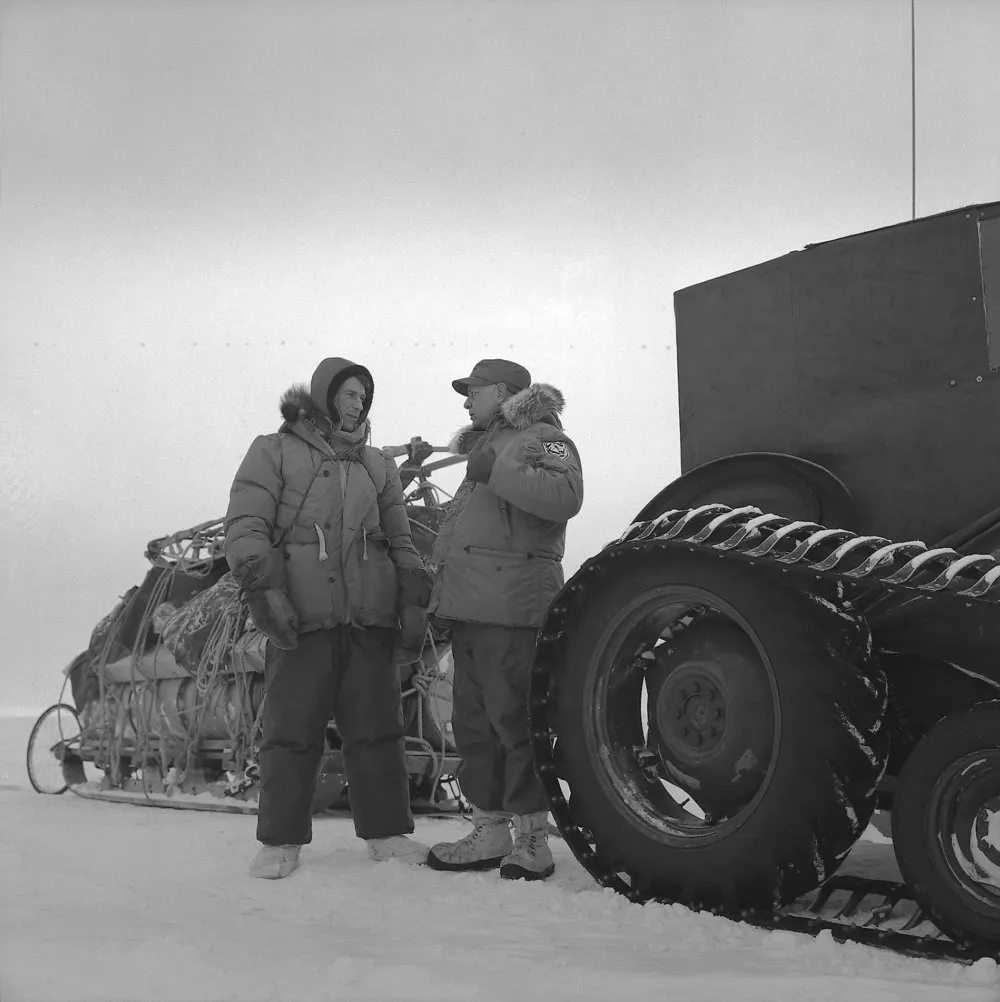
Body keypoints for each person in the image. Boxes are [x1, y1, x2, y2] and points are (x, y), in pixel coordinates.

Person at [224, 356, 433, 879]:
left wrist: (412, 597)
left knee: (379, 729)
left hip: (368, 618)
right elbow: (246, 524)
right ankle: (280, 841)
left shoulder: (378, 466)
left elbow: (400, 538)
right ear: (324, 397)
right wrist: (264, 588)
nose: (357, 403)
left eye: (364, 396)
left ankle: (387, 833)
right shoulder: (273, 451)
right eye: (348, 394)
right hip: (302, 616)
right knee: (291, 730)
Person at [426, 358, 583, 880]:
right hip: (470, 610)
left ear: (502, 391)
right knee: (474, 726)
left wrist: (496, 467)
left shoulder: (544, 438)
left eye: (473, 390)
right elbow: (460, 535)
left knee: (516, 725)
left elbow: (566, 497)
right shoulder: (487, 447)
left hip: (513, 609)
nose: (466, 400)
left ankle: (533, 840)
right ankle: (490, 829)